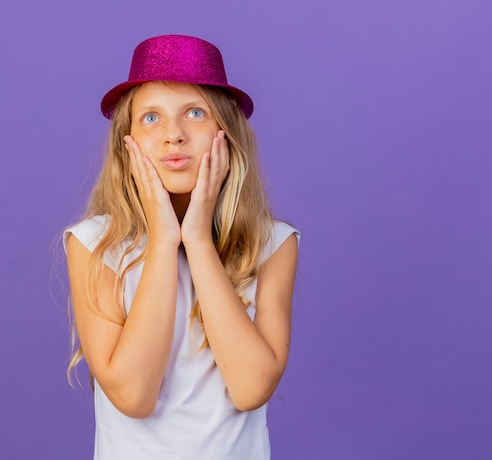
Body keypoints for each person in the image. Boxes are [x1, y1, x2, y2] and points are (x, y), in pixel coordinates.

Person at [64, 35, 299, 460]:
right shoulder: (94, 245)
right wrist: (164, 238)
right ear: (127, 141)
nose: (173, 134)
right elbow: (134, 396)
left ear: (225, 133)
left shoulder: (273, 243)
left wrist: (196, 240)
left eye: (195, 113)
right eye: (151, 117)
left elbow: (250, 389)